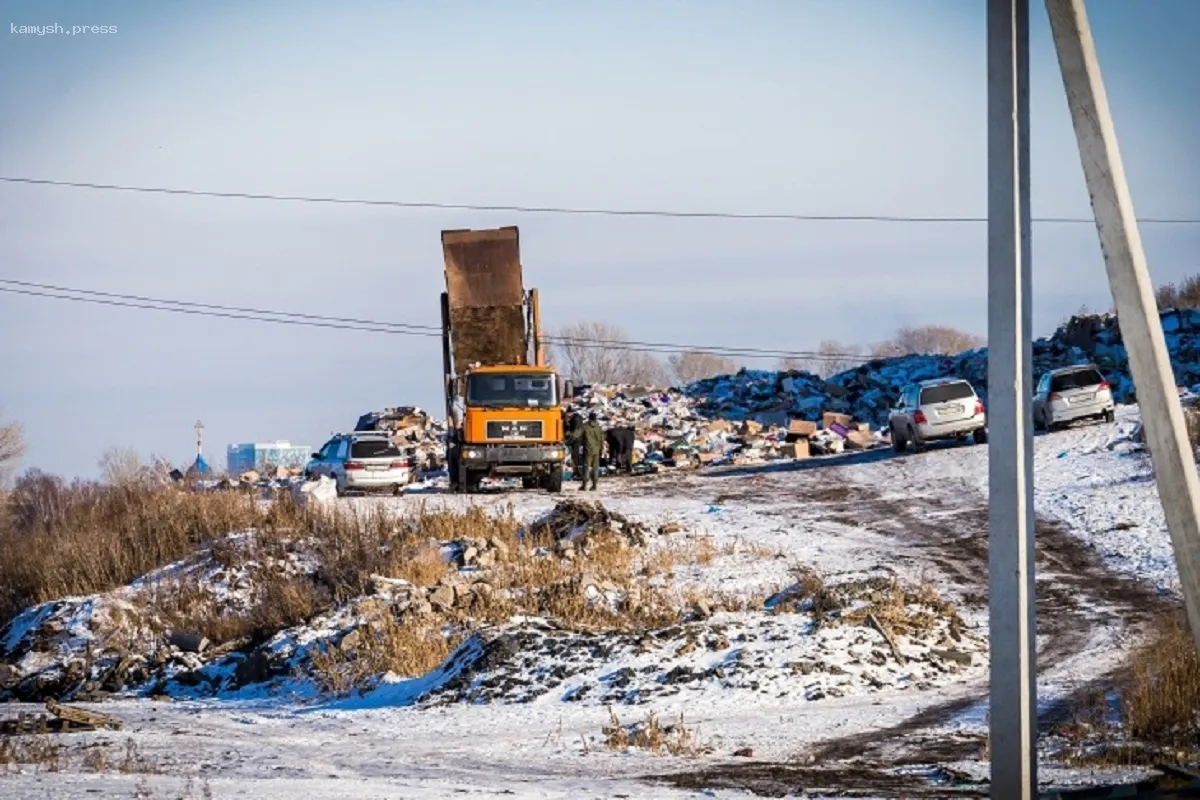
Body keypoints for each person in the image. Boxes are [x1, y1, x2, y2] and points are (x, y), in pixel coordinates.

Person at [577, 411, 605, 491]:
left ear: (589, 418)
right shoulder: (599, 427)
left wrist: (569, 435)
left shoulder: (585, 426)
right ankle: (594, 485)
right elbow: (602, 439)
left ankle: (584, 485)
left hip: (588, 449)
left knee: (586, 466)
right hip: (597, 450)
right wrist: (601, 449)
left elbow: (577, 434)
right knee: (595, 467)